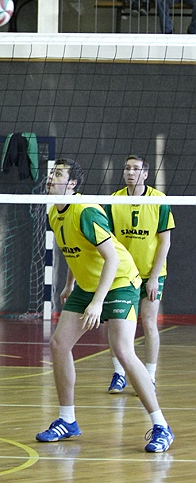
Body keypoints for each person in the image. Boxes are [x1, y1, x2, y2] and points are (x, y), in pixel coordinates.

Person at [36, 159, 174, 453]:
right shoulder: (53, 211)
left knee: (123, 349)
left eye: (58, 174)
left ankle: (162, 426)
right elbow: (76, 251)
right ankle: (67, 420)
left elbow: (111, 258)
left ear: (72, 184)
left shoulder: (85, 210)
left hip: (120, 280)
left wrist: (97, 303)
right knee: (59, 344)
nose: (51, 178)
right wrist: (70, 284)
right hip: (88, 285)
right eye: (51, 173)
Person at [103, 155, 174, 394]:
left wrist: (153, 277)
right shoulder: (114, 200)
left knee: (149, 323)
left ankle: (149, 377)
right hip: (123, 275)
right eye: (127, 168)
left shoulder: (159, 200)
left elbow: (165, 242)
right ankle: (119, 374)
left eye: (136, 169)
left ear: (145, 174)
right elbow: (108, 240)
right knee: (117, 326)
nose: (130, 172)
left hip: (151, 273)